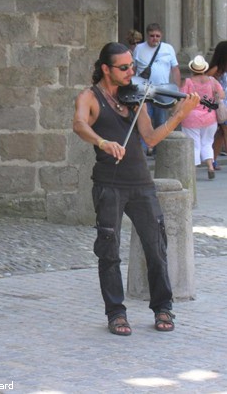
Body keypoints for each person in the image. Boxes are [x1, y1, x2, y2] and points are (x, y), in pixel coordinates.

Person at [73, 42, 199, 336]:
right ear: (106, 69)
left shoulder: (135, 97)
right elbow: (79, 124)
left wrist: (178, 116)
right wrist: (102, 142)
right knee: (109, 251)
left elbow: (151, 138)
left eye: (132, 66)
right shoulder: (89, 97)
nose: (132, 72)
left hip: (141, 184)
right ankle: (116, 312)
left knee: (156, 247)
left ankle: (162, 307)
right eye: (124, 67)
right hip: (109, 185)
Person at [133, 23, 181, 154]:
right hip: (143, 91)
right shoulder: (139, 49)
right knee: (144, 121)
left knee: (161, 122)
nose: (155, 38)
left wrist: (177, 89)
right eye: (152, 36)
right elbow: (134, 69)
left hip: (161, 90)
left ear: (161, 36)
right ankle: (143, 152)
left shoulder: (168, 48)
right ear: (147, 36)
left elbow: (175, 69)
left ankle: (159, 153)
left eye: (157, 36)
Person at [180, 55, 224, 179]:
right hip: (210, 116)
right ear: (204, 68)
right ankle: (210, 166)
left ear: (192, 69)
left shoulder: (188, 82)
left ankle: (192, 171)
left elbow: (182, 98)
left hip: (191, 117)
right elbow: (221, 95)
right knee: (207, 143)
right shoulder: (212, 80)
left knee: (193, 144)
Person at [206, 41, 227, 169]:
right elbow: (204, 82)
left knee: (220, 133)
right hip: (221, 104)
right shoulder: (216, 69)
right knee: (225, 131)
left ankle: (213, 160)